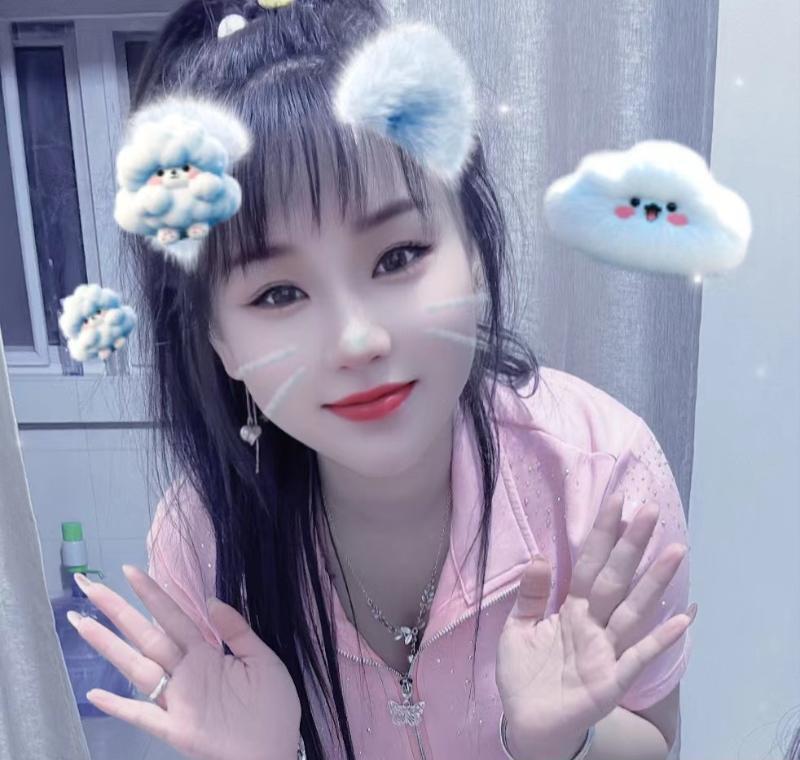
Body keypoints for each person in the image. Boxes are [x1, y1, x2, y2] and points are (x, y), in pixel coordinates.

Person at [67, 1, 696, 759]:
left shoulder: (602, 476)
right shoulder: (204, 544)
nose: (358, 340)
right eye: (278, 294)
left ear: (474, 250)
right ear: (219, 343)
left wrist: (561, 740)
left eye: (398, 257)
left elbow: (658, 738)